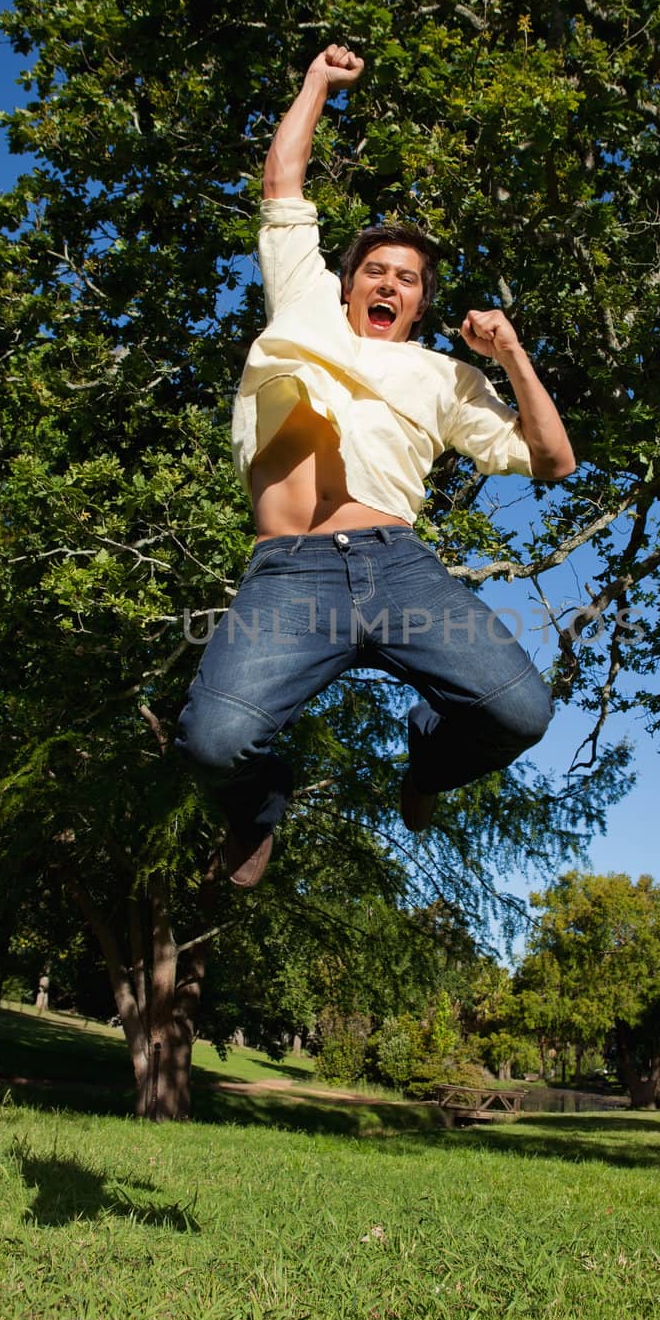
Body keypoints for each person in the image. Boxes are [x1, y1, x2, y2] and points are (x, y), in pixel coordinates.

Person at [176, 45, 576, 885]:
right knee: (212, 743)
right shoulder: (305, 306)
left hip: (400, 572)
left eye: (407, 279)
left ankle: (427, 764)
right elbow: (283, 184)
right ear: (350, 282)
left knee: (521, 714)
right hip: (291, 577)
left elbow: (553, 462)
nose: (388, 283)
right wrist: (318, 82)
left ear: (422, 302)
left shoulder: (446, 375)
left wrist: (510, 356)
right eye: (375, 271)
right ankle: (257, 805)